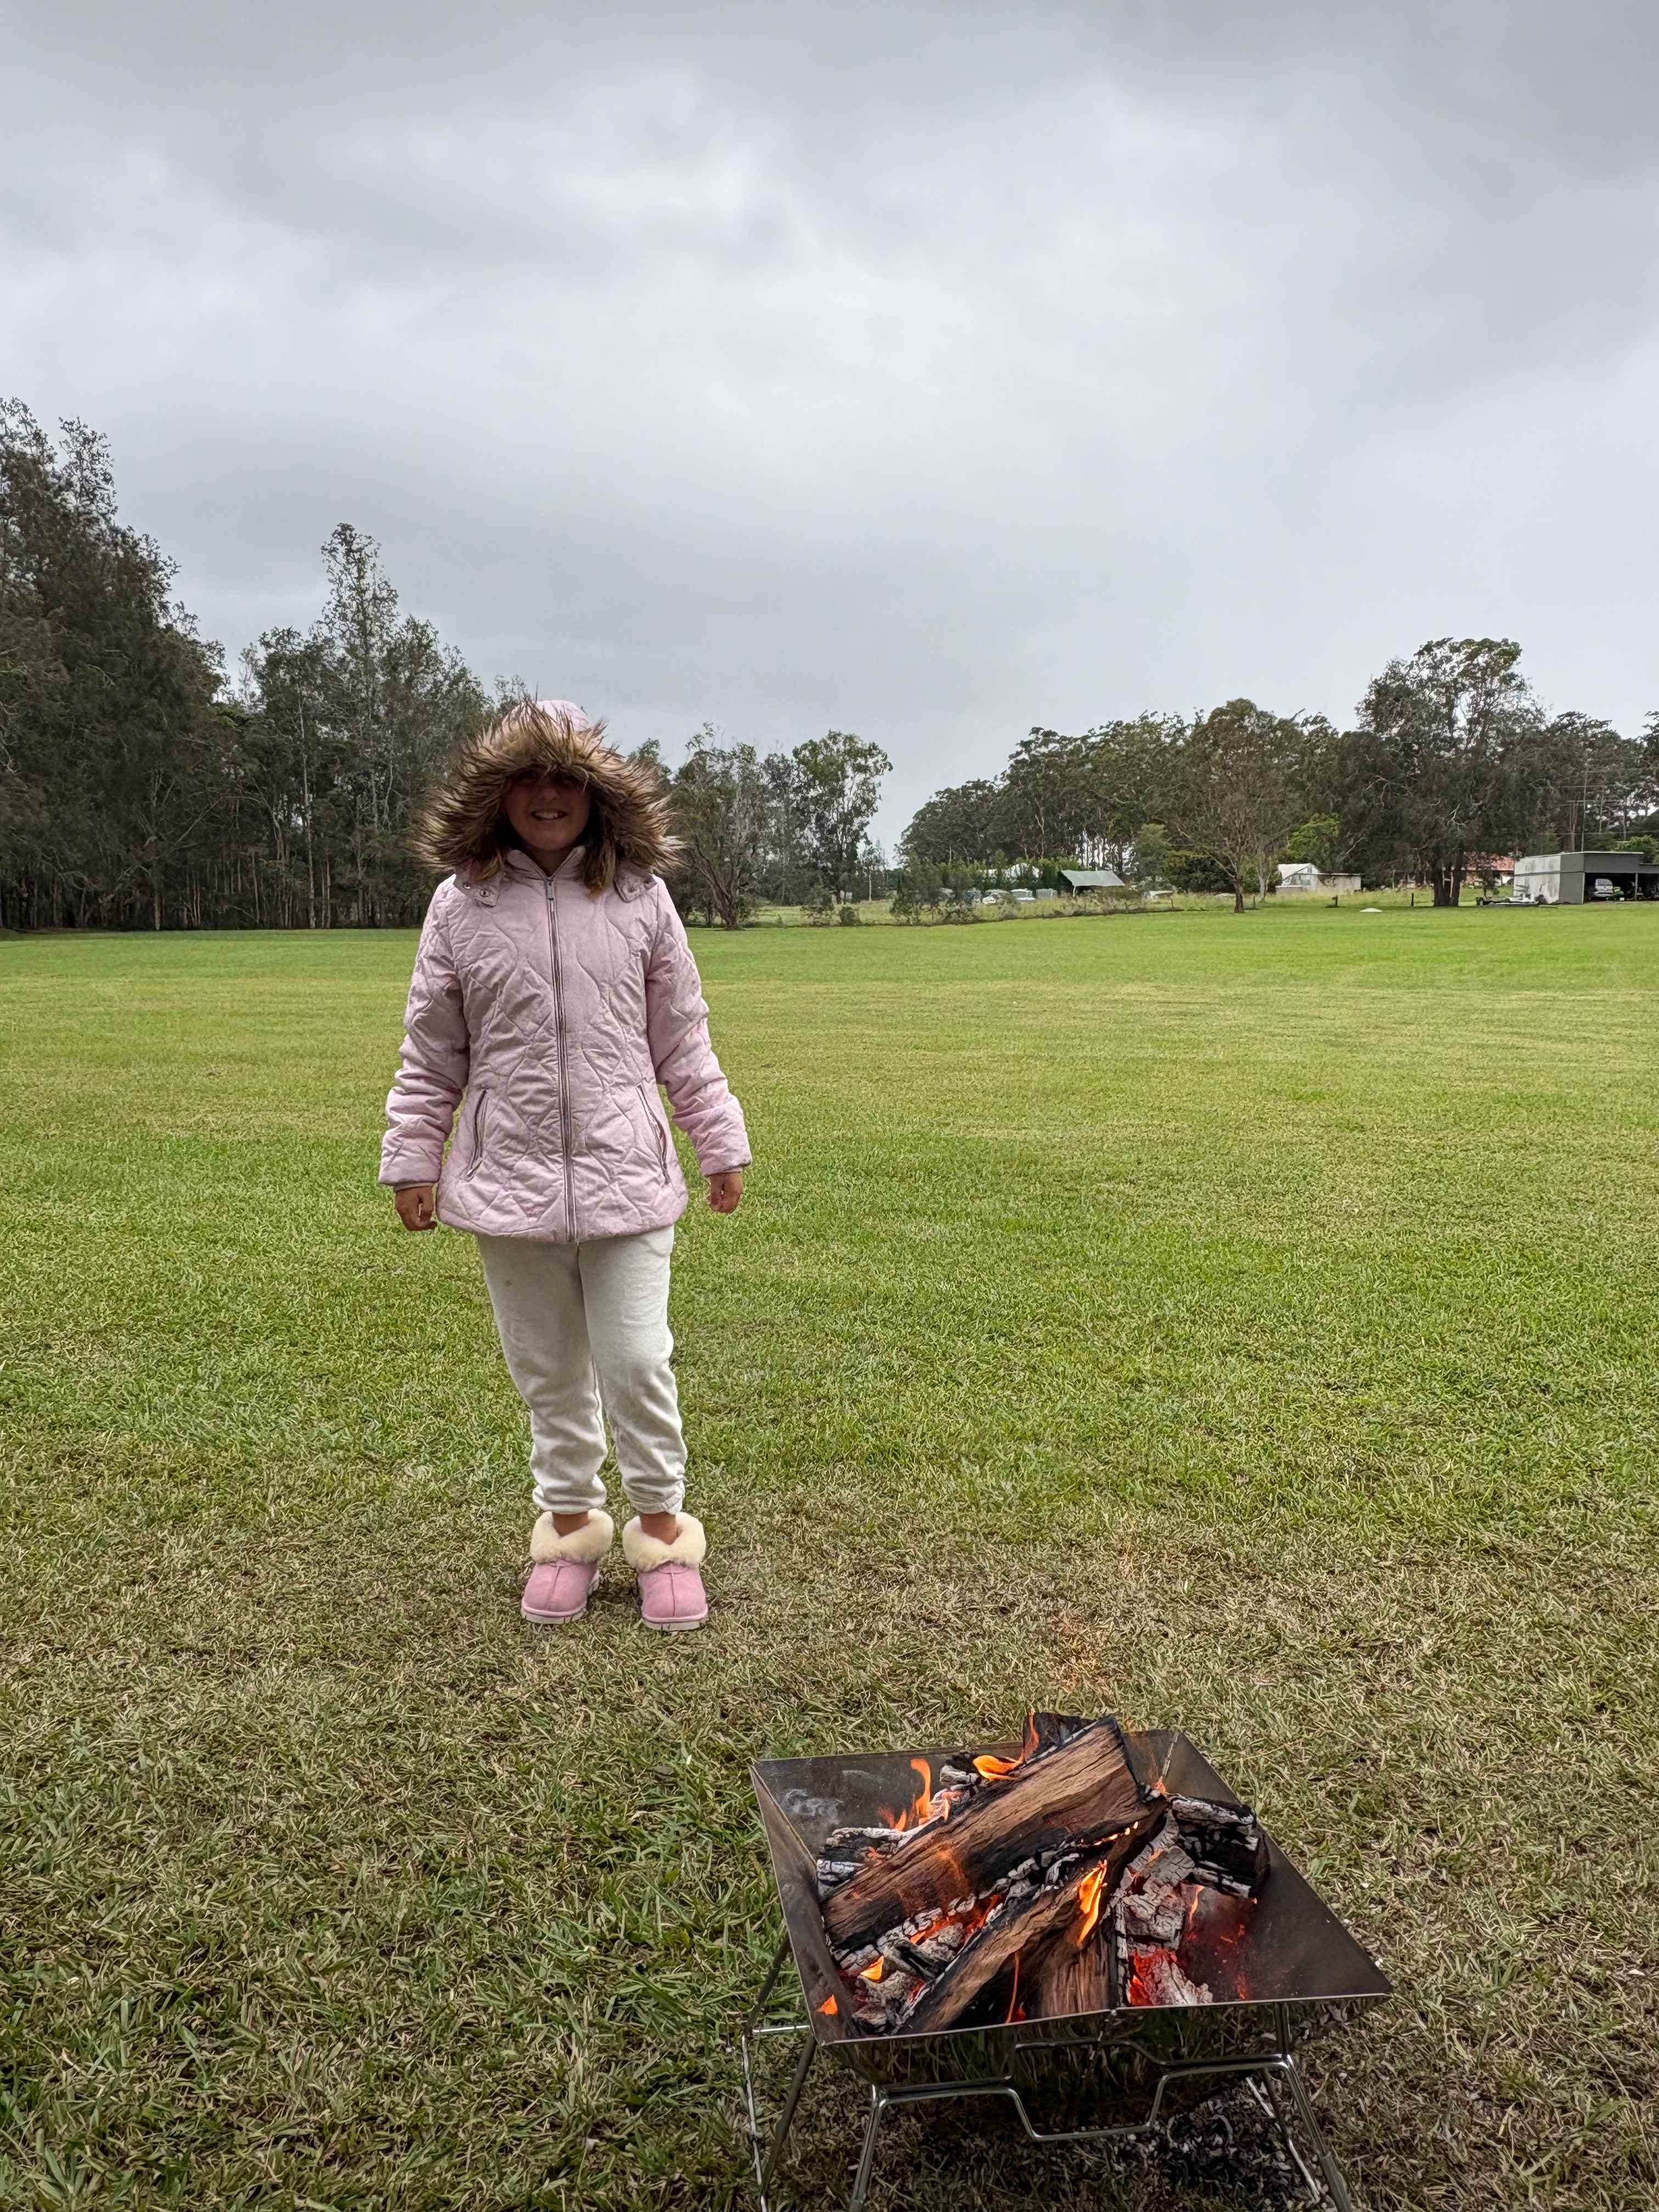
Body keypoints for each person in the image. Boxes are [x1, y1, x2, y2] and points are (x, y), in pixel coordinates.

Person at [379, 698, 749, 1632]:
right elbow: (433, 1050)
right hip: (507, 1180)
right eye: (529, 779)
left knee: (634, 1360)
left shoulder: (640, 898)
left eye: (567, 780)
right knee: (547, 1369)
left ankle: (663, 1531)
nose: (548, 797)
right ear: (498, 794)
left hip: (629, 1174)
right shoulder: (459, 902)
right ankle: (572, 1527)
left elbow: (683, 1039)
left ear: (596, 794)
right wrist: (413, 1157)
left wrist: (720, 1142)